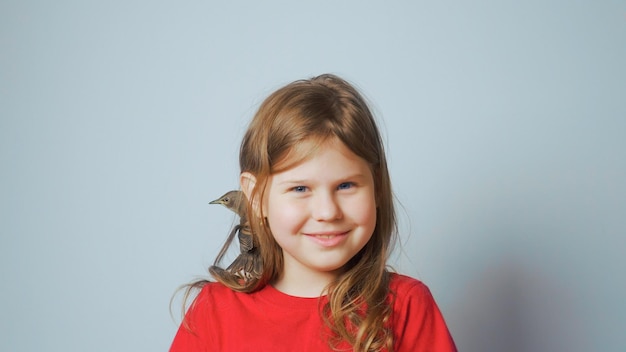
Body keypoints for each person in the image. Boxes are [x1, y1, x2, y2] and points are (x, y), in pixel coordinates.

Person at [170, 74, 457, 351]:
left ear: (377, 188)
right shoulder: (214, 311)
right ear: (256, 197)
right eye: (300, 189)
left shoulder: (406, 306)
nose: (327, 212)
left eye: (345, 185)